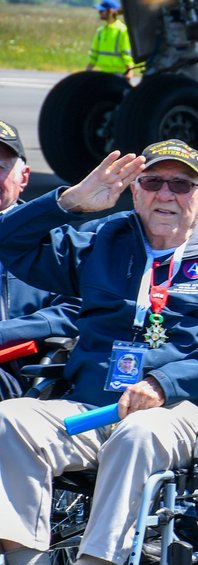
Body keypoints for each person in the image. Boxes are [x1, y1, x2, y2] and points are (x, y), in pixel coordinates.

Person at [0, 139, 198, 565]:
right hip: (91, 403)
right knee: (9, 420)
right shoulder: (103, 238)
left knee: (138, 432)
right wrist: (67, 202)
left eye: (182, 184)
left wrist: (164, 382)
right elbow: (10, 244)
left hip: (179, 409)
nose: (165, 194)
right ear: (135, 191)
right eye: (152, 182)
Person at [0, 120, 80, 400]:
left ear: (23, 178)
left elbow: (73, 311)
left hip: (17, 369)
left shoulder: (57, 241)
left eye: (0, 168)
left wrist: (6, 332)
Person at [86, 1, 134, 83]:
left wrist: (129, 70)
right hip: (104, 72)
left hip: (119, 74)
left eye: (101, 11)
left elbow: (127, 53)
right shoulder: (100, 31)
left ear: (111, 11)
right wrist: (89, 68)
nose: (99, 13)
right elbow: (94, 53)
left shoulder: (122, 30)